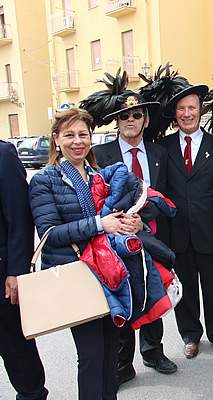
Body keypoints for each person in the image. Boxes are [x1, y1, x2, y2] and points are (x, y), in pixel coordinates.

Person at [29, 108, 138, 399]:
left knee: (109, 353)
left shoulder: (97, 175)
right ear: (56, 139)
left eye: (83, 135)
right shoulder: (45, 180)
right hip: (76, 274)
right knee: (90, 355)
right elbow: (49, 235)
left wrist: (130, 222)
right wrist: (98, 224)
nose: (77, 141)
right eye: (69, 135)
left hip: (107, 272)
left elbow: (113, 218)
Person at [94, 93, 177, 382]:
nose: (130, 120)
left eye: (136, 115)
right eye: (124, 116)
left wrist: (143, 218)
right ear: (116, 122)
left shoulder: (159, 154)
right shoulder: (100, 154)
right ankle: (122, 365)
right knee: (123, 297)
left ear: (146, 120)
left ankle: (154, 353)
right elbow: (95, 198)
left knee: (153, 293)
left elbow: (165, 194)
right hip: (113, 241)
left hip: (151, 237)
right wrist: (117, 222)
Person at [158, 83, 213, 358]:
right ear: (175, 114)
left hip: (211, 230)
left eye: (192, 108)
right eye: (181, 109)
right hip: (178, 232)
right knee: (184, 289)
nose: (187, 114)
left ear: (201, 111)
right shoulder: (162, 148)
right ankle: (190, 335)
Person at [0, 141, 48, 400]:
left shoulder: (2, 154)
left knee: (19, 357)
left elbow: (18, 217)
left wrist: (17, 271)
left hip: (2, 281)